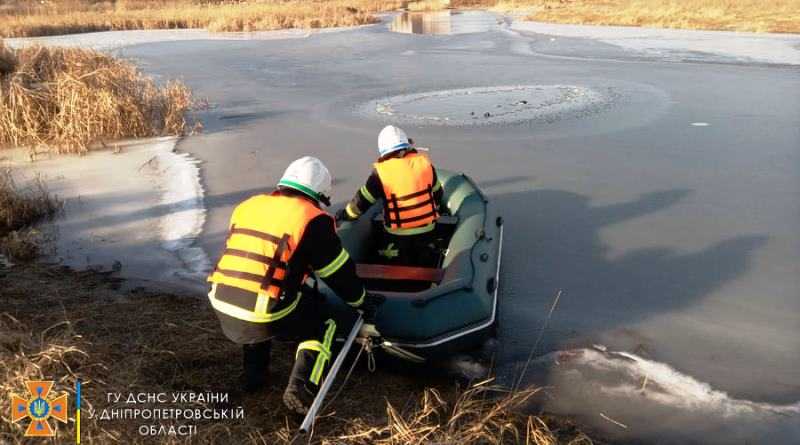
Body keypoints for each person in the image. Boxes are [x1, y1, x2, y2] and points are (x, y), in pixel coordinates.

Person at [207, 156, 382, 415]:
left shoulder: (248, 205)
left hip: (220, 300)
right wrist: (363, 302)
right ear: (319, 195)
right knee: (323, 325)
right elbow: (338, 274)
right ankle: (303, 388)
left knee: (261, 296)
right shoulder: (314, 219)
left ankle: (254, 378)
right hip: (261, 310)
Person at [337, 125, 444, 267]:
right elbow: (438, 193)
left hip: (397, 235)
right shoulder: (424, 164)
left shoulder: (381, 174)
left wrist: (346, 214)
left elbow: (362, 201)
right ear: (406, 145)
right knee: (424, 257)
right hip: (427, 231)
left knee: (389, 253)